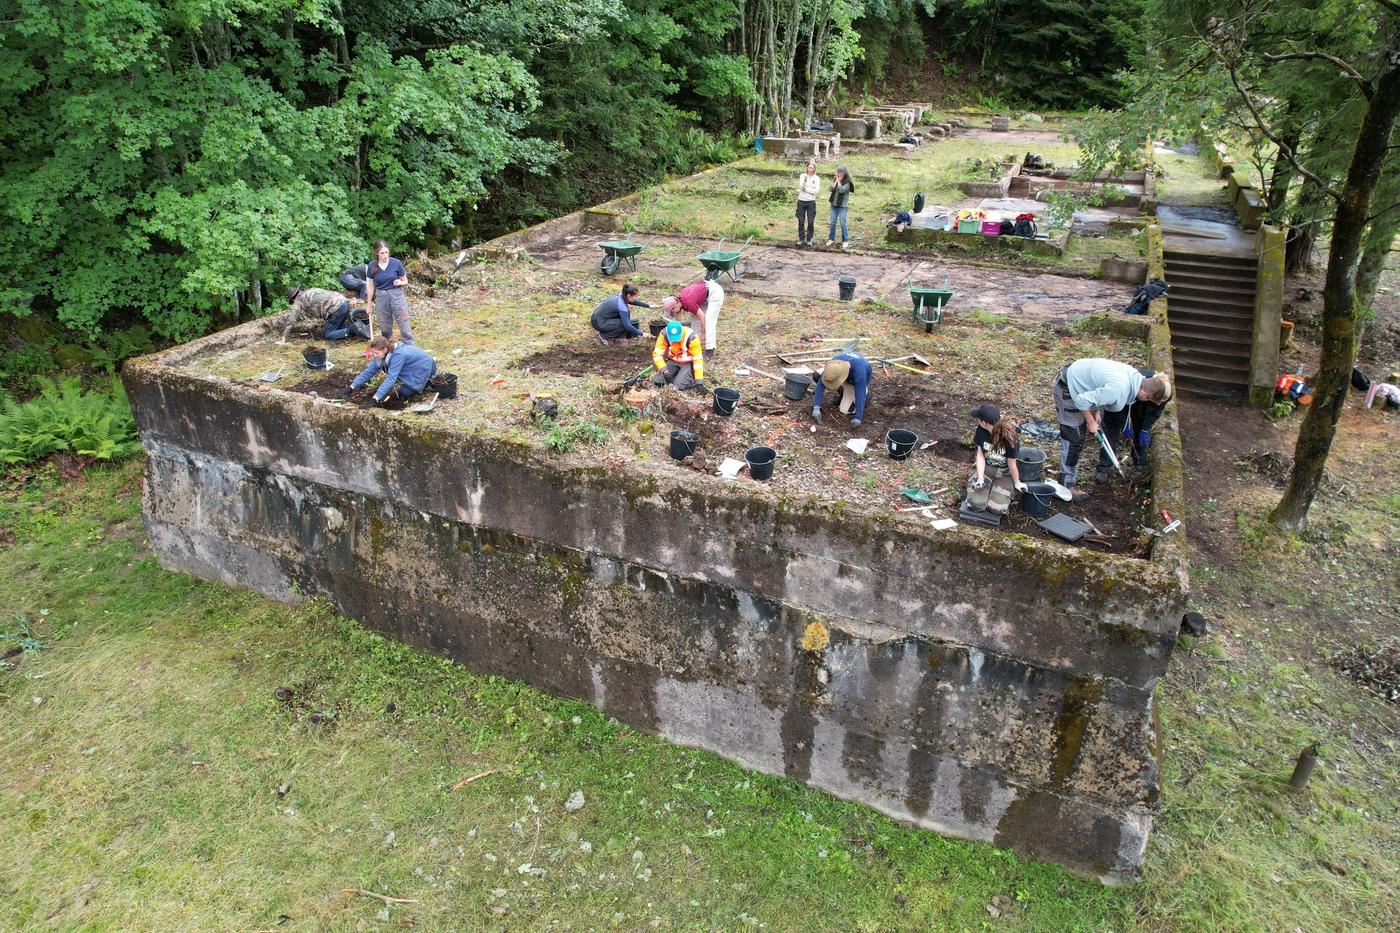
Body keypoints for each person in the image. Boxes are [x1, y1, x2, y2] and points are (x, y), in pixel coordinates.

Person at [1052, 358, 1171, 494]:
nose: (1147, 402)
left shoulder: (1136, 378)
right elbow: (1081, 401)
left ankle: (1068, 480)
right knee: (1074, 437)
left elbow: (1101, 387)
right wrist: (1091, 422)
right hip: (1068, 387)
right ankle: (1067, 484)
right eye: (1148, 400)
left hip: (1082, 383)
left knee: (1080, 431)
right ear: (1144, 393)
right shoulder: (1119, 388)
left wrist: (1098, 410)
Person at [342, 336, 436, 408]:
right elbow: (368, 372)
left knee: (405, 393)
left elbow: (391, 378)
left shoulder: (398, 355)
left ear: (385, 350)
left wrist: (376, 398)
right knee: (402, 390)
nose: (374, 355)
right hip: (413, 368)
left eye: (376, 353)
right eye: (373, 352)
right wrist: (351, 387)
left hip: (425, 367)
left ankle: (428, 382)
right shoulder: (382, 355)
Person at [964, 403, 1024, 515]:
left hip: (1003, 475)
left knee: (997, 509)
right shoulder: (981, 430)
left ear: (983, 422)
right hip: (986, 470)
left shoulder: (1010, 437)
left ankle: (999, 490)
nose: (977, 421)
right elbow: (980, 455)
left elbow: (1012, 464)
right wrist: (980, 478)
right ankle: (979, 482)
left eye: (978, 419)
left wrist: (1017, 483)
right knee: (975, 505)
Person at [1121, 366, 1174, 465]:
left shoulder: (1166, 394)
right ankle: (1106, 466)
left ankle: (1140, 461)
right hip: (1129, 402)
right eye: (1158, 400)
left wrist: (1145, 429)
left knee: (1140, 431)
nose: (1159, 404)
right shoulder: (1140, 382)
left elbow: (1155, 412)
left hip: (1142, 407)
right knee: (1114, 429)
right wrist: (1125, 423)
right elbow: (1122, 406)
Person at [278, 287, 369, 344]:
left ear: (293, 298)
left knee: (327, 334)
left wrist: (284, 337)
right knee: (338, 327)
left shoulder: (299, 301)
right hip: (343, 302)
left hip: (336, 308)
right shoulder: (311, 290)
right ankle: (358, 327)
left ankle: (352, 330)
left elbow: (291, 320)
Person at [365, 240, 413, 344]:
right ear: (376, 253)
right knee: (384, 326)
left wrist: (401, 282)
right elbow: (370, 286)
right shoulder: (372, 266)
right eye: (382, 253)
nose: (385, 255)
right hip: (381, 296)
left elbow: (406, 280)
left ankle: (409, 347)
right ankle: (388, 349)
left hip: (396, 294)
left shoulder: (396, 263)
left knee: (403, 321)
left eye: (387, 252)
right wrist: (368, 303)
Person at [662, 279, 724, 357]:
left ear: (677, 303)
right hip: (704, 296)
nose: (673, 312)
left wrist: (703, 333)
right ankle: (693, 343)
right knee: (694, 320)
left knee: (709, 321)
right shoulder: (679, 300)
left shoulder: (688, 302)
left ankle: (710, 350)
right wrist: (678, 338)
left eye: (673, 309)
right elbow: (679, 321)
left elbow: (702, 316)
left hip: (715, 292)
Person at [811, 352, 871, 426]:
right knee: (817, 375)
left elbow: (860, 393)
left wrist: (858, 417)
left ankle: (867, 395)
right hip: (845, 375)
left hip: (854, 382)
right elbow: (821, 384)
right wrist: (816, 406)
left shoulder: (859, 371)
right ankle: (842, 391)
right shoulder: (833, 365)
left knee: (844, 410)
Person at [651, 320, 705, 391]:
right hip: (673, 360)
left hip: (688, 363)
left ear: (681, 331)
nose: (675, 341)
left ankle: (688, 374)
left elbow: (697, 359)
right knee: (658, 381)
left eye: (677, 338)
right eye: (673, 339)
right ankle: (679, 375)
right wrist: (664, 370)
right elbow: (657, 354)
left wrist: (699, 382)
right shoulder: (664, 334)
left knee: (679, 386)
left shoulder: (691, 337)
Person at [826, 165, 855, 249]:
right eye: (838, 172)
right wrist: (836, 181)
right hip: (834, 205)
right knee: (832, 223)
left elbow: (841, 190)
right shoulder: (836, 179)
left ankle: (845, 240)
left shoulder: (848, 182)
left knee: (843, 223)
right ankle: (831, 239)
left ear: (844, 173)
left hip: (843, 206)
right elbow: (831, 189)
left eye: (841, 172)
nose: (839, 174)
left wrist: (838, 181)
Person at [795, 160, 820, 247]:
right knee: (801, 221)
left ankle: (809, 239)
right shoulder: (802, 176)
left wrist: (807, 190)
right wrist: (805, 182)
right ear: (807, 168)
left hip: (811, 202)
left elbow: (816, 191)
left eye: (812, 168)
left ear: (814, 169)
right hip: (801, 201)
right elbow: (801, 187)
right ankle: (801, 238)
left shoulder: (817, 178)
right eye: (809, 167)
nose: (810, 169)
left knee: (810, 221)